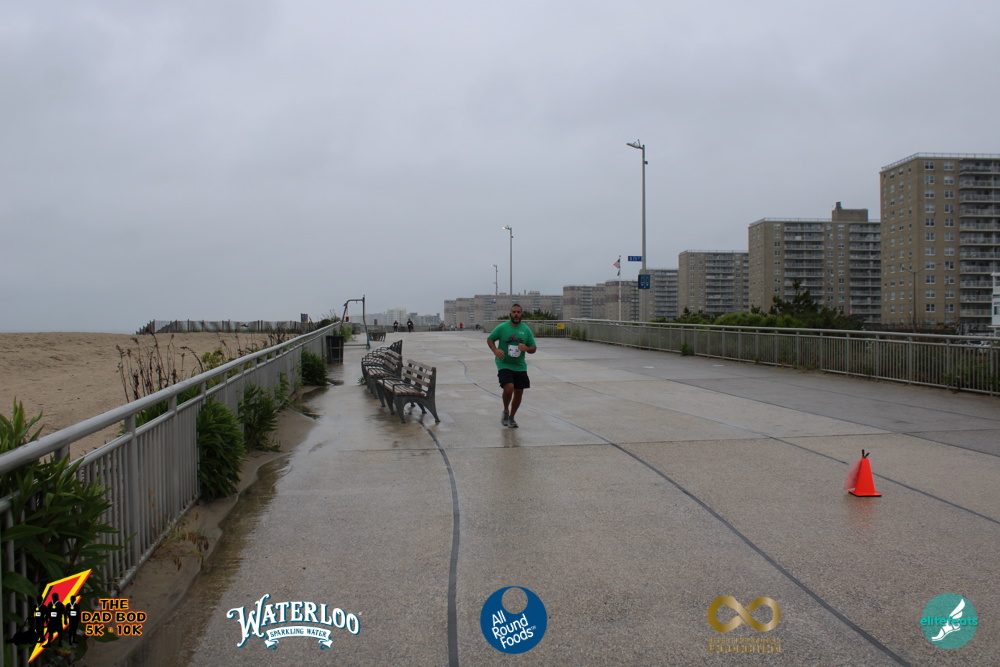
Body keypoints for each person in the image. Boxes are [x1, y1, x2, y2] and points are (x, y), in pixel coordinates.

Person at [487, 304, 537, 428]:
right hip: (504, 363)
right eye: (514, 312)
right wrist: (495, 350)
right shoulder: (502, 327)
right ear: (510, 314)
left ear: (522, 315)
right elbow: (490, 339)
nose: (516, 314)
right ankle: (505, 411)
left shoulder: (526, 330)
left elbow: (533, 348)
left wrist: (526, 348)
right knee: (509, 388)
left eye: (518, 312)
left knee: (519, 392)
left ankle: (512, 417)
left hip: (519, 365)